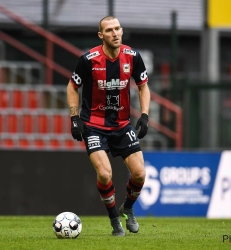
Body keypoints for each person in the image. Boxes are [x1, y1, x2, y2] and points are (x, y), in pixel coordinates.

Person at [67, 15, 150, 236]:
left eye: (117, 29)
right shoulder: (89, 59)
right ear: (101, 35)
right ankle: (115, 221)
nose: (115, 33)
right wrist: (75, 118)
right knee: (105, 174)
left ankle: (128, 208)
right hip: (94, 125)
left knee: (140, 174)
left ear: (122, 31)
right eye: (109, 30)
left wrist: (144, 115)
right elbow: (72, 87)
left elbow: (143, 86)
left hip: (122, 125)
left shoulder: (132, 56)